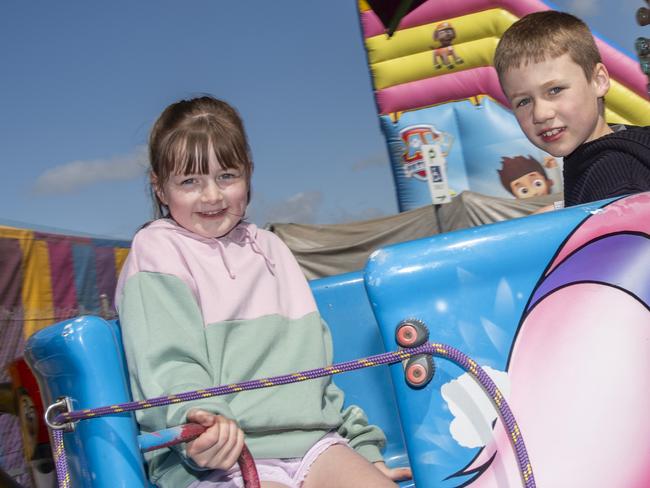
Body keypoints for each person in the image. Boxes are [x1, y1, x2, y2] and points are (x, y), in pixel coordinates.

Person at [115, 96, 411, 488]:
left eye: (227, 176)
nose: (212, 196)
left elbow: (318, 372)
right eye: (190, 181)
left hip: (313, 445)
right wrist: (200, 424)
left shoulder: (273, 251)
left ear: (248, 173)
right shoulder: (157, 250)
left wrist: (364, 449)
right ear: (160, 187)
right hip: (215, 459)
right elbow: (169, 367)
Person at [493, 10, 650, 208]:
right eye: (524, 101)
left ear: (598, 81)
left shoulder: (613, 178)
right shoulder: (625, 148)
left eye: (555, 90)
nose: (541, 114)